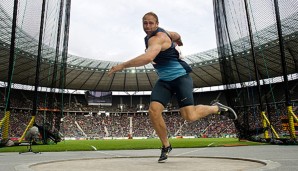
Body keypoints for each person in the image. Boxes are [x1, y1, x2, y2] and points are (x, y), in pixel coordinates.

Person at [108, 11, 237, 163]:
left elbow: (148, 57)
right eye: (145, 23)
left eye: (151, 23)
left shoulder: (158, 38)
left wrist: (122, 65)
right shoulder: (158, 35)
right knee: (153, 111)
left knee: (189, 116)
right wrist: (179, 40)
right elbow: (176, 34)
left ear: (157, 24)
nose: (147, 26)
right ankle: (166, 146)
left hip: (180, 78)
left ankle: (216, 108)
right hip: (164, 81)